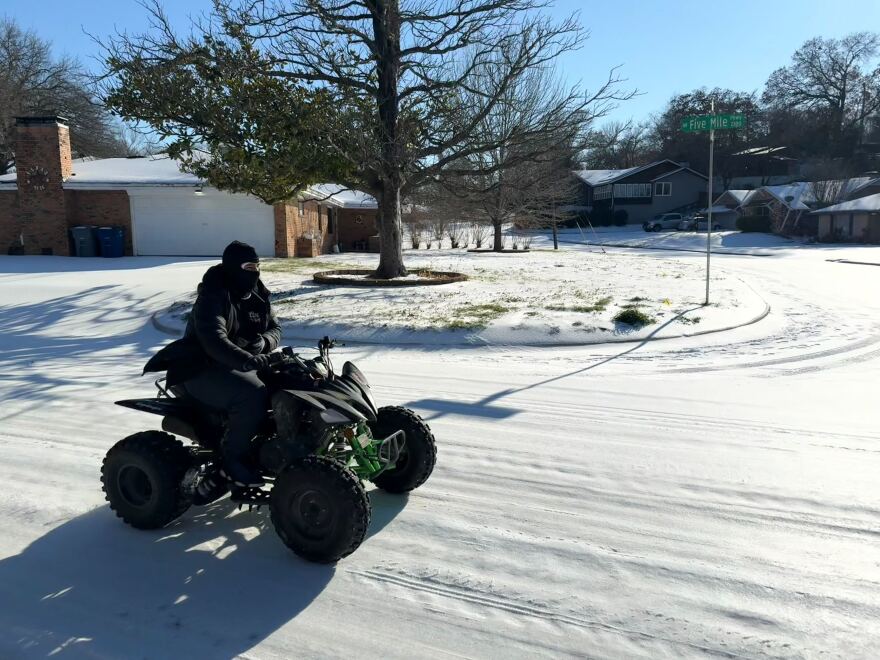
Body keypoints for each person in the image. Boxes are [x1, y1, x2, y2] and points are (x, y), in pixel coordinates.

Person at [146, 240, 281, 487]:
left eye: (257, 266)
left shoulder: (259, 296)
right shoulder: (213, 294)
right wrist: (246, 360)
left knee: (290, 381)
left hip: (240, 363)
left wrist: (263, 343)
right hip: (198, 367)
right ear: (232, 267)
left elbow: (275, 328)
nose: (254, 272)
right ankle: (232, 460)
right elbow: (213, 339)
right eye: (248, 267)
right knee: (252, 395)